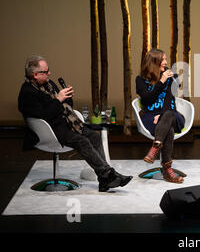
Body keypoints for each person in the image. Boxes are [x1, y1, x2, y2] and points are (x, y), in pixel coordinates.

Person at [18, 55, 133, 192]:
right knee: (82, 141)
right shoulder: (27, 92)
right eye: (46, 71)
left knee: (94, 137)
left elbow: (67, 106)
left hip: (67, 124)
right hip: (50, 131)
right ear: (35, 75)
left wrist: (67, 98)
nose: (49, 73)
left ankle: (105, 179)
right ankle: (108, 175)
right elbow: (43, 116)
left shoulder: (50, 84)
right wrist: (58, 100)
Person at [136, 49, 185, 184]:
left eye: (165, 59)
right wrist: (161, 81)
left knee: (168, 115)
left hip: (171, 115)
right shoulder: (140, 80)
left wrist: (169, 77)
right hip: (150, 117)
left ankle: (154, 149)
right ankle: (168, 171)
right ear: (154, 62)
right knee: (167, 130)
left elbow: (174, 94)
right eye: (163, 60)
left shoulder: (170, 75)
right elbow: (147, 100)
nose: (166, 62)